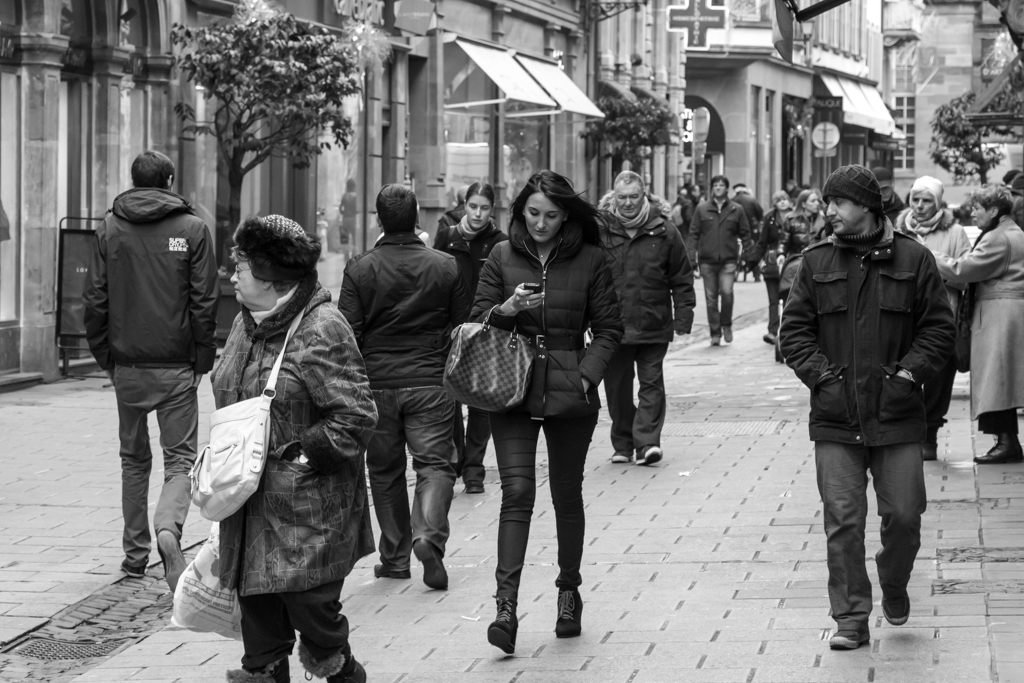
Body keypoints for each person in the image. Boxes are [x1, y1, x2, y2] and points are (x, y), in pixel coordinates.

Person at [779, 165, 955, 651]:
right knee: (843, 521)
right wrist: (823, 380)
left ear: (868, 207)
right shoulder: (815, 262)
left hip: (897, 414)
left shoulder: (914, 259)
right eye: (828, 202)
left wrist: (907, 377)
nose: (829, 211)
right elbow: (794, 333)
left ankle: (893, 581)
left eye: (839, 202)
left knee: (904, 516)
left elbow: (939, 329)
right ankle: (851, 617)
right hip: (836, 416)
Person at [214, 215, 377, 683]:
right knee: (259, 622)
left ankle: (341, 669)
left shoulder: (322, 327)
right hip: (248, 504)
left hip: (307, 508)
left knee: (312, 612)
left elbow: (356, 416)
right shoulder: (245, 323)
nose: (232, 276)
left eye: (240, 267)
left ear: (270, 278)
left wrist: (301, 456)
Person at [471, 170, 622, 654]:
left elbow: (610, 329)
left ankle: (568, 592)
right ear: (521, 212)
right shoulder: (501, 255)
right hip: (511, 386)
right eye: (533, 213)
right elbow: (476, 320)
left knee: (565, 494)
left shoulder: (591, 258)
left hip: (568, 387)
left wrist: (585, 375)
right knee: (516, 492)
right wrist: (508, 309)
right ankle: (505, 607)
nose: (541, 223)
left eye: (552, 215)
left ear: (566, 217)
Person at [82, 151, 219, 592]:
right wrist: (202, 359)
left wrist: (106, 357)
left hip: (128, 364)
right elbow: (204, 300)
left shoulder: (110, 228)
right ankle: (168, 529)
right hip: (176, 365)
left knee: (133, 459)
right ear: (170, 180)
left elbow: (95, 298)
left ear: (134, 180)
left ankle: (134, 554)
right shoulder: (192, 229)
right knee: (179, 459)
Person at [339, 184, 468, 591]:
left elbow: (346, 333)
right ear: (417, 219)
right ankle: (427, 535)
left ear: (379, 220)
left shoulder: (360, 268)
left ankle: (394, 557)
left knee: (384, 470)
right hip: (430, 379)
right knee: (435, 465)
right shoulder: (445, 266)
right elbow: (463, 326)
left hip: (377, 383)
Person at [597, 171, 695, 466]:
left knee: (651, 384)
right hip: (613, 325)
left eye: (634, 197)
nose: (628, 203)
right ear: (614, 197)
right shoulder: (600, 231)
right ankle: (623, 443)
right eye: (622, 197)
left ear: (644, 195)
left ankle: (647, 443)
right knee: (617, 388)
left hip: (654, 322)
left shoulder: (664, 230)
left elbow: (681, 276)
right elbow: (587, 277)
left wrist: (684, 316)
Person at [929, 185, 1024, 464]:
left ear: (993, 210)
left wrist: (931, 255)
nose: (972, 214)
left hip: (999, 315)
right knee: (1001, 380)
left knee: (997, 381)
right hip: (1004, 313)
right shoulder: (1011, 232)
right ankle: (1007, 442)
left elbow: (963, 269)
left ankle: (1006, 443)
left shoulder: (998, 237)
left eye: (977, 208)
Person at [432, 182, 509, 493]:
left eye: (484, 208)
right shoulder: (447, 237)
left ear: (492, 209)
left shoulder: (500, 243)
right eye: (473, 206)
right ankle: (457, 460)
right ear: (464, 205)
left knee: (481, 403)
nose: (478, 213)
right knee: (450, 399)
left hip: (485, 331)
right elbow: (434, 280)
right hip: (451, 330)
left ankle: (474, 470)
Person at [895, 176, 971, 461]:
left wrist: (931, 260)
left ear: (938, 203)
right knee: (904, 374)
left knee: (939, 377)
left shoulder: (955, 232)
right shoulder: (897, 229)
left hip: (942, 315)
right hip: (903, 316)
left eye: (926, 200)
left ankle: (930, 434)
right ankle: (905, 433)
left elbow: (966, 275)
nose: (919, 205)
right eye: (915, 199)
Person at [687, 175, 755, 345]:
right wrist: (691, 257)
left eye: (721, 185)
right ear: (712, 188)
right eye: (715, 185)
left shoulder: (736, 209)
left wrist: (749, 255)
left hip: (728, 259)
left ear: (726, 188)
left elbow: (745, 233)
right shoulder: (702, 209)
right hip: (707, 260)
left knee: (727, 293)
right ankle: (715, 333)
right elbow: (693, 234)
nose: (718, 187)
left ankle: (726, 325)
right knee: (711, 298)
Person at [753, 190, 793, 345]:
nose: (782, 202)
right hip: (772, 263)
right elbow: (762, 241)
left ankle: (789, 330)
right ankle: (772, 331)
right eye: (778, 200)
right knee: (773, 299)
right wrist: (754, 260)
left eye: (784, 199)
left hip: (791, 262)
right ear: (774, 203)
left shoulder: (796, 216)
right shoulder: (769, 218)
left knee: (790, 298)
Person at [778, 189, 827, 257]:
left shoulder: (824, 219)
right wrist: (781, 254)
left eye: (817, 200)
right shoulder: (791, 220)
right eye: (813, 201)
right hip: (798, 258)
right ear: (803, 204)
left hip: (818, 259)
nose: (817, 203)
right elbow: (783, 241)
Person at [732, 184, 765, 282]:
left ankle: (735, 270)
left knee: (735, 249)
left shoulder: (732, 200)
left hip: (735, 229)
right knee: (753, 249)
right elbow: (760, 213)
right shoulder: (752, 200)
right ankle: (756, 273)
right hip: (751, 229)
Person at [339, 178, 358, 248]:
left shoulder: (344, 195)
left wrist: (343, 213)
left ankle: (346, 253)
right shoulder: (356, 196)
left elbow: (340, 208)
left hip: (345, 218)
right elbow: (357, 208)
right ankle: (354, 253)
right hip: (353, 219)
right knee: (354, 238)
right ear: (354, 186)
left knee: (345, 239)